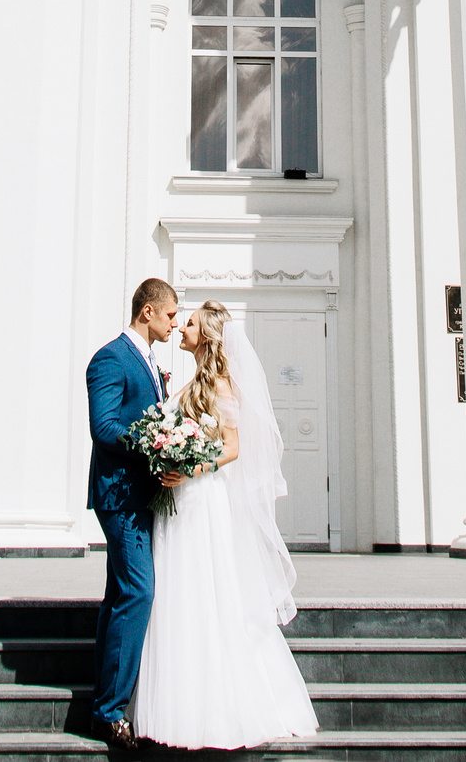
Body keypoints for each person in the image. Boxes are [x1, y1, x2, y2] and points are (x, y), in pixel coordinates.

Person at [130, 301, 319, 750]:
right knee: (179, 593)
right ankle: (178, 704)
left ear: (208, 335)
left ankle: (214, 712)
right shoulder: (194, 379)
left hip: (201, 499)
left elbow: (232, 447)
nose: (180, 327)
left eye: (189, 323)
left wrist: (188, 469)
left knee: (203, 591)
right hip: (179, 498)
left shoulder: (217, 382)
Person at [85, 277, 178, 748]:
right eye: (170, 315)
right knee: (138, 594)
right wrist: (155, 445)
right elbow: (103, 427)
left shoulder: (150, 361)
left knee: (119, 595)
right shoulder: (110, 358)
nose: (174, 324)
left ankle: (104, 699)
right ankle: (108, 712)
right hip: (120, 495)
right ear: (148, 312)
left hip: (139, 494)